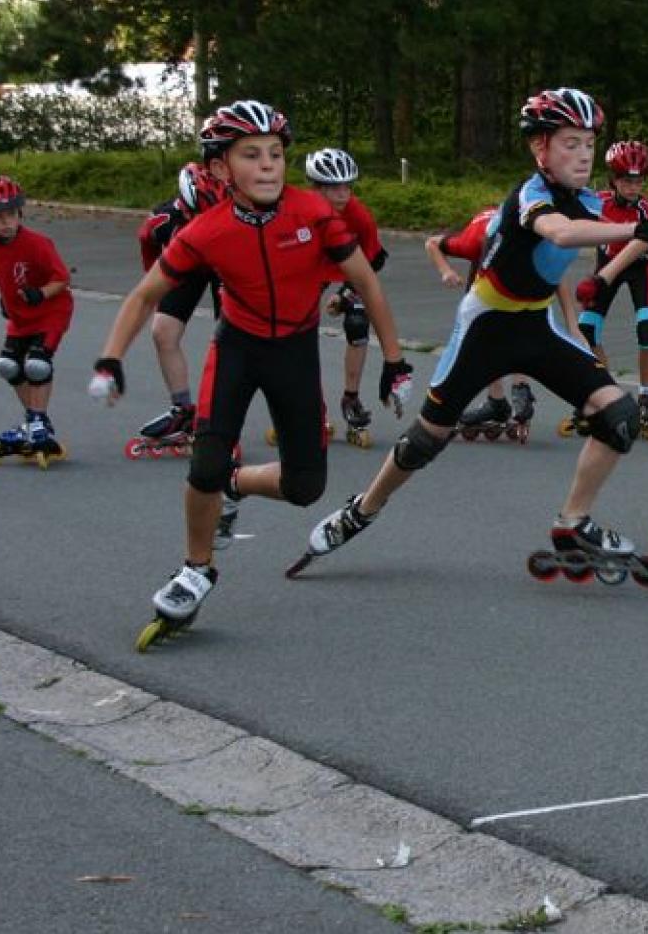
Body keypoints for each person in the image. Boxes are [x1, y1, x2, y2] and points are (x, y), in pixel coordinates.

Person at [293, 88, 648, 584]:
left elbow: (558, 264)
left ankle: (573, 522)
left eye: (589, 143)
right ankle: (362, 509)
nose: (583, 154)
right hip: (486, 328)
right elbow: (560, 234)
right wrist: (640, 232)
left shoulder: (586, 200)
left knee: (619, 417)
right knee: (425, 441)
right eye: (570, 144)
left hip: (536, 326)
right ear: (540, 148)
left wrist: (576, 324)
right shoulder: (530, 196)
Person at [88, 99, 413, 647]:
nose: (267, 165)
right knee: (206, 461)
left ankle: (236, 485)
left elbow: (366, 282)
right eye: (251, 155)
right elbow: (145, 295)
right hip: (237, 347)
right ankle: (196, 569)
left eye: (275, 154)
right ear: (220, 167)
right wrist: (110, 358)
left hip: (295, 352)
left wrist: (395, 361)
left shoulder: (314, 213)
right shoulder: (205, 230)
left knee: (305, 487)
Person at [569, 139, 648, 440]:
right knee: (587, 331)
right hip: (606, 271)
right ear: (613, 180)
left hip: (640, 271)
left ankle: (647, 395)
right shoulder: (597, 202)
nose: (633, 187)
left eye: (638, 181)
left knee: (646, 326)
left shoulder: (646, 211)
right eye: (627, 181)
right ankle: (606, 392)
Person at [0, 175, 75, 466]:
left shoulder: (37, 244)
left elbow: (62, 279)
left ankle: (37, 420)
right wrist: (5, 300)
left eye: (11, 215)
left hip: (51, 311)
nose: (6, 223)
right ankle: (35, 421)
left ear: (20, 213)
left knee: (37, 365)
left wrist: (40, 294)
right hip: (20, 315)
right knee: (7, 365)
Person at [129, 161, 229, 457]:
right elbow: (146, 243)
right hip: (185, 265)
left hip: (224, 266)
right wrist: (154, 280)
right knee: (162, 332)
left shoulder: (235, 212)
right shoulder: (162, 220)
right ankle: (183, 410)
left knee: (230, 339)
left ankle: (219, 416)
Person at [423, 206, 539, 441]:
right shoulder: (472, 241)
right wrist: (446, 271)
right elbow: (432, 243)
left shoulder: (529, 238)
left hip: (518, 279)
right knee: (483, 341)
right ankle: (499, 401)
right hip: (483, 288)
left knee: (515, 331)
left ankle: (516, 392)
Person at [304, 147, 389, 448]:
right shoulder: (299, 211)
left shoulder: (359, 216)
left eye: (347, 187)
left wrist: (343, 295)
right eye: (334, 188)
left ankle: (350, 399)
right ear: (316, 188)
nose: (343, 194)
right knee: (297, 331)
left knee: (357, 323)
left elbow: (374, 261)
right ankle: (310, 403)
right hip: (310, 269)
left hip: (349, 266)